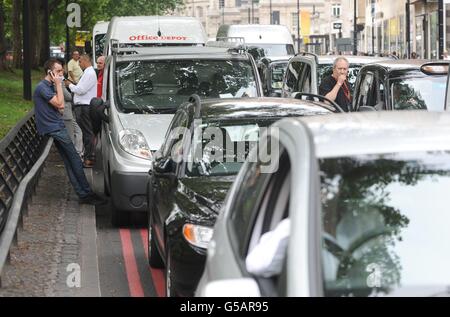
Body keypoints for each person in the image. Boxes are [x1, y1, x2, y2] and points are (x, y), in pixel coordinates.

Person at [33, 58, 106, 205]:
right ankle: (86, 193)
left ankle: (84, 194)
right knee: (74, 160)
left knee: (70, 161)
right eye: (58, 71)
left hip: (56, 126)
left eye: (62, 71)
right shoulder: (43, 87)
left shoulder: (49, 86)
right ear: (50, 72)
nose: (61, 74)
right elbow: (60, 103)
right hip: (54, 128)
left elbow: (60, 107)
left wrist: (58, 95)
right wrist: (59, 85)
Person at [66, 54, 97, 168]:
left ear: (85, 61)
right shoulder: (88, 72)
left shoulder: (89, 73)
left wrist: (70, 85)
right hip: (82, 106)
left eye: (80, 62)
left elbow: (81, 90)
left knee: (87, 133)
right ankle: (87, 156)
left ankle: (89, 158)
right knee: (86, 132)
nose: (79, 64)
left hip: (85, 106)